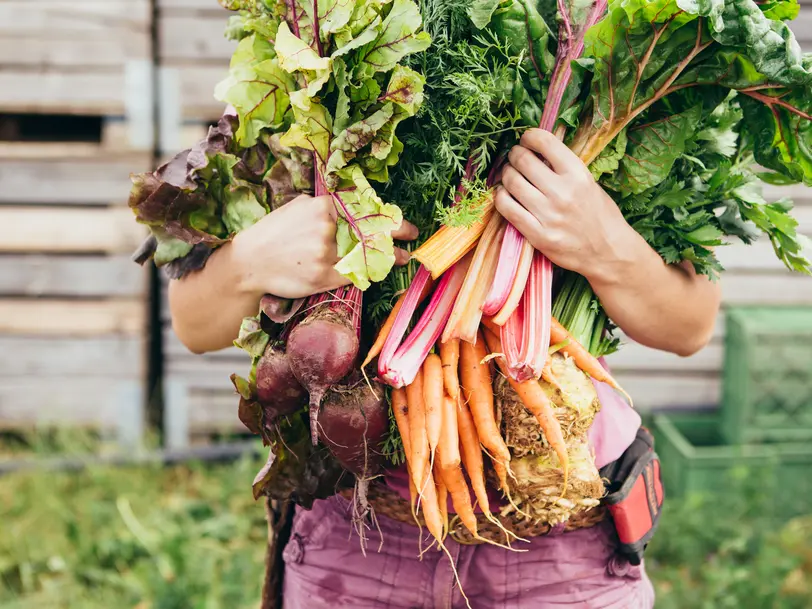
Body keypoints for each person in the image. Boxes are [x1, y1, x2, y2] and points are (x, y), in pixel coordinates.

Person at [168, 129, 721, 608]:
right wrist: (246, 263)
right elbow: (194, 323)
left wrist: (608, 248)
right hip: (358, 533)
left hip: (561, 540)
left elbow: (688, 327)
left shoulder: (587, 56)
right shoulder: (312, 65)